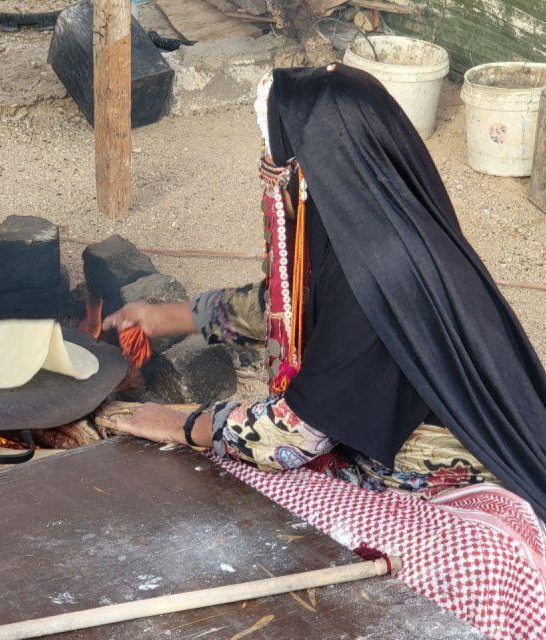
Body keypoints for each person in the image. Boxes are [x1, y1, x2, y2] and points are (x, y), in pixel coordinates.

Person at [103, 65, 546, 520]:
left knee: (251, 498)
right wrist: (174, 317)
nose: (266, 178)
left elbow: (293, 438)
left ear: (311, 172)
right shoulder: (373, 224)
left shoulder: (380, 276)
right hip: (410, 442)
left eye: (273, 161)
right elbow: (297, 303)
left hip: (449, 481)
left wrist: (182, 423)